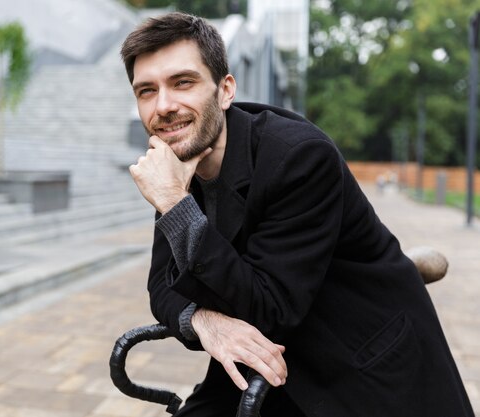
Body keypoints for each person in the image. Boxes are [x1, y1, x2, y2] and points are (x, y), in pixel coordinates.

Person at [120, 12, 474, 417]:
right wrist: (201, 321)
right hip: (269, 366)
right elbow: (161, 286)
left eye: (183, 82)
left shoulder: (298, 158)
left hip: (362, 368)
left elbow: (271, 309)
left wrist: (174, 204)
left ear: (225, 91)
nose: (164, 106)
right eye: (146, 91)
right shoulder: (174, 165)